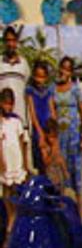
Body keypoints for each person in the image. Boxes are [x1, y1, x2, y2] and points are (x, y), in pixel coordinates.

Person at [54, 57, 82, 202]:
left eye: (68, 69)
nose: (64, 72)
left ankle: (78, 204)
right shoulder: (53, 89)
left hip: (74, 135)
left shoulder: (75, 89)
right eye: (63, 68)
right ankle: (61, 204)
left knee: (76, 168)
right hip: (59, 136)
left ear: (71, 72)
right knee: (60, 169)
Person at [0, 86, 28, 226]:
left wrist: (25, 163)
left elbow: (23, 141)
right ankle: (9, 216)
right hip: (6, 160)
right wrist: (1, 161)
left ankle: (16, 217)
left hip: (16, 159)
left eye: (10, 104)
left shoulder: (16, 121)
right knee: (6, 190)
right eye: (5, 103)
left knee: (16, 190)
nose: (8, 107)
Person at [24, 59, 56, 176]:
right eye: (37, 76)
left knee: (51, 158)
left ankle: (51, 184)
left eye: (42, 77)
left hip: (49, 128)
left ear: (46, 77)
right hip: (38, 129)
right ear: (33, 75)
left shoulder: (49, 91)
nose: (39, 80)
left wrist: (54, 130)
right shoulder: (30, 91)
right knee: (41, 160)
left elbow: (52, 110)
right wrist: (40, 133)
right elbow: (32, 113)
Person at [0, 26, 29, 129]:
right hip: (2, 120)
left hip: (21, 118)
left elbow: (27, 91)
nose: (10, 44)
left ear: (16, 42)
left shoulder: (24, 64)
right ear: (4, 42)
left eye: (13, 40)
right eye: (8, 40)